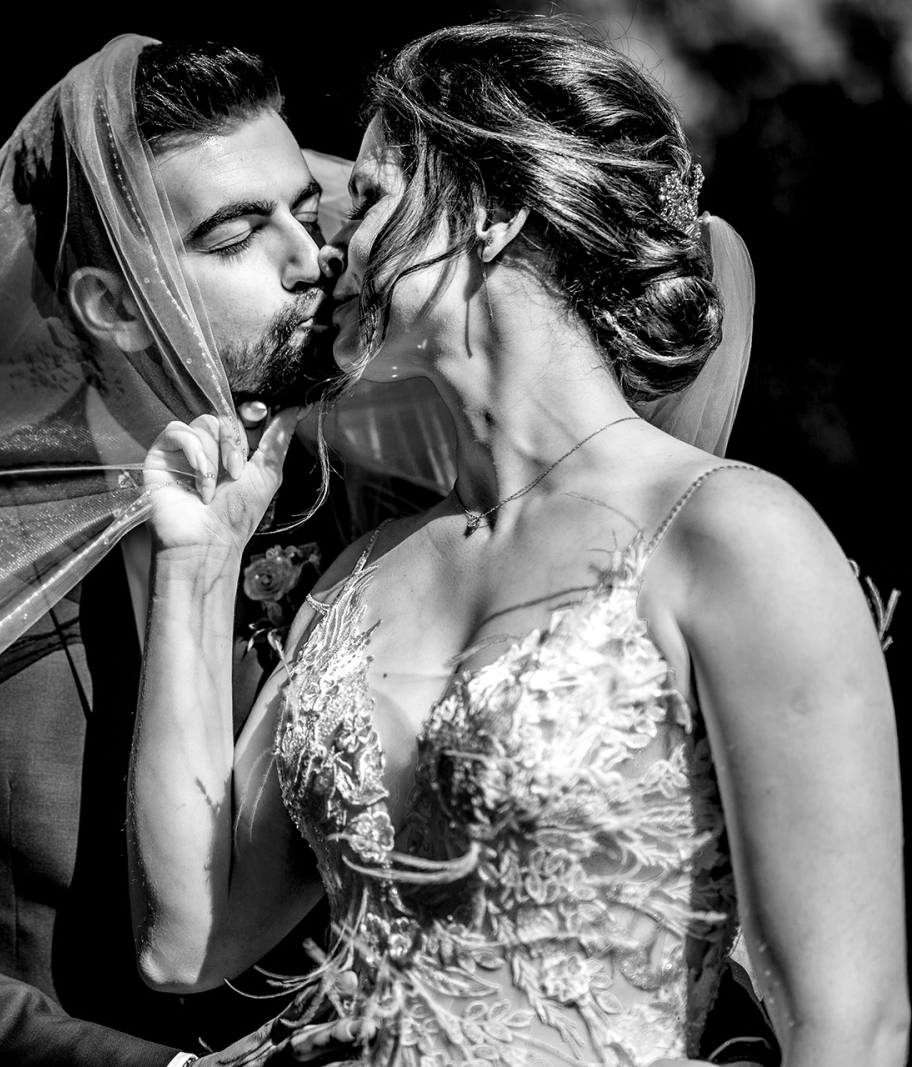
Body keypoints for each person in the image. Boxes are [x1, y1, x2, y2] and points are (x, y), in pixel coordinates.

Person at [129, 17, 906, 1067]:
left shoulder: (730, 534)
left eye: (366, 198)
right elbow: (190, 938)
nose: (329, 251)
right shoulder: (364, 570)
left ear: (486, 214)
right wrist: (198, 560)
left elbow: (848, 1026)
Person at [0, 39, 373, 1067]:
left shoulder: (375, 515)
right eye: (239, 233)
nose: (307, 258)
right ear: (109, 306)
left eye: (308, 214)